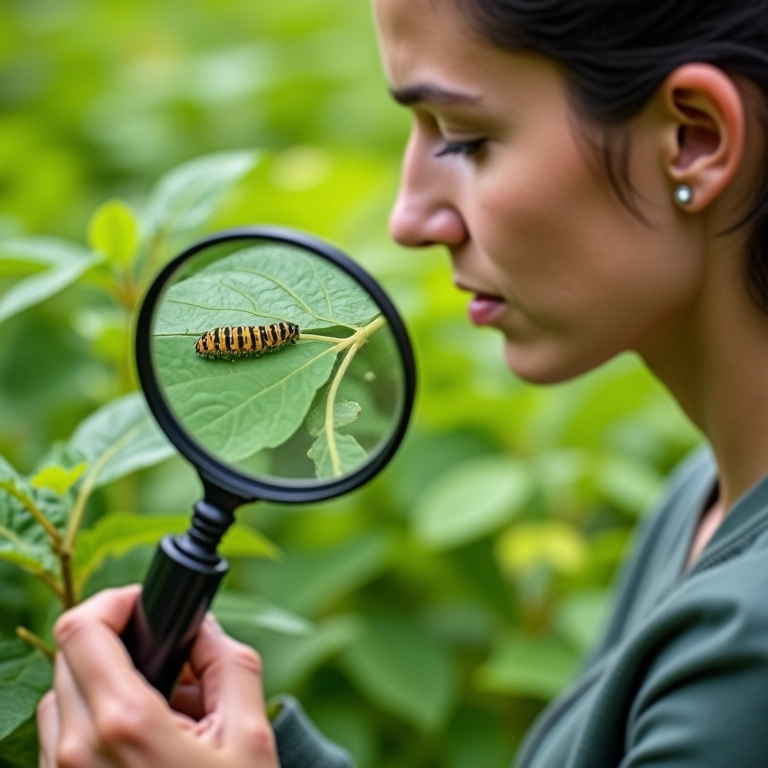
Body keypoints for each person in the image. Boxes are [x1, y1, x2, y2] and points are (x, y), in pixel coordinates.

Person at [38, 0, 768, 765]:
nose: (409, 219)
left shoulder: (748, 644)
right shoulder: (704, 500)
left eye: (465, 139)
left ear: (694, 138)